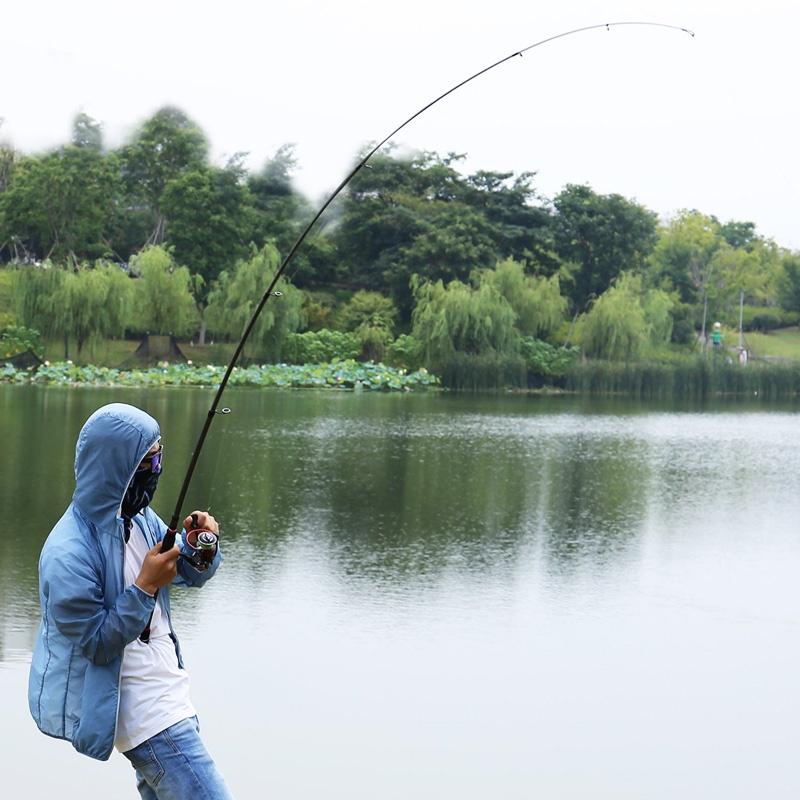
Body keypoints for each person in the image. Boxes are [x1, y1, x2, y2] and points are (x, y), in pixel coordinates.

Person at [28, 402, 233, 799]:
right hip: (145, 714)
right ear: (118, 466)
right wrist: (143, 588)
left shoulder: (138, 518)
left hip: (172, 693)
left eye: (160, 457)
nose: (157, 470)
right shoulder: (67, 553)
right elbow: (96, 643)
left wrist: (202, 544)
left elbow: (192, 573)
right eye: (149, 461)